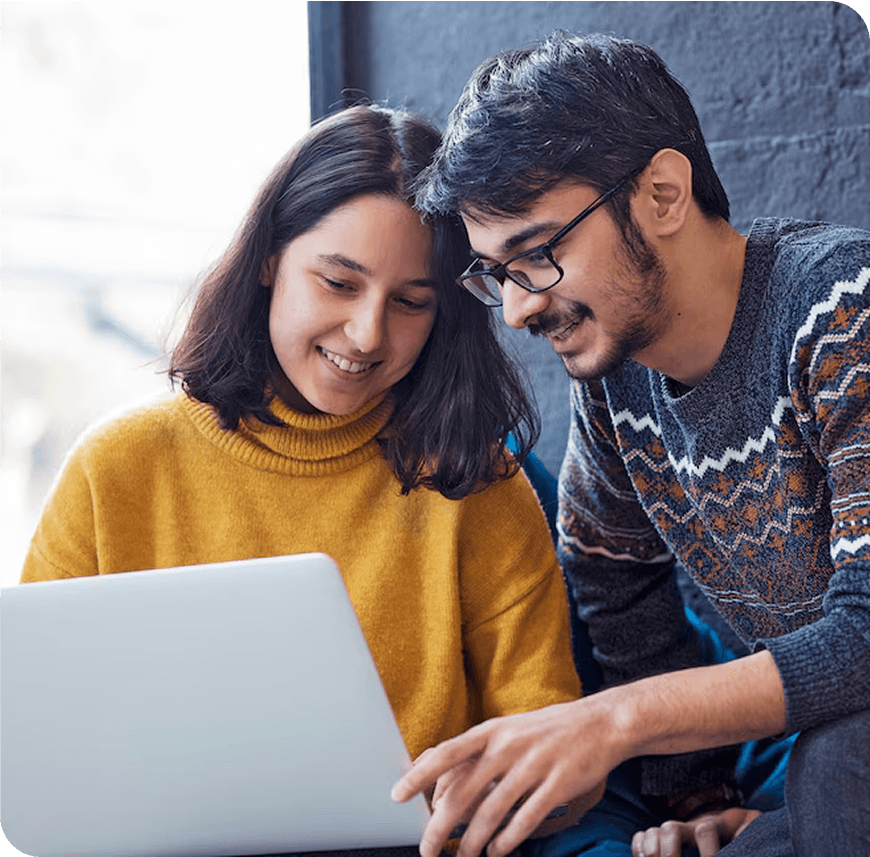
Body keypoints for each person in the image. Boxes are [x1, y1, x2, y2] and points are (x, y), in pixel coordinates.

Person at [20, 104, 591, 853]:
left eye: (411, 303)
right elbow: (32, 730)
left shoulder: (474, 482)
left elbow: (562, 762)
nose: (367, 335)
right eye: (337, 283)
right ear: (268, 261)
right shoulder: (117, 467)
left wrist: (496, 785)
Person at [391, 31, 870, 857]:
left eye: (537, 255)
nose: (515, 311)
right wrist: (700, 794)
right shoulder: (616, 386)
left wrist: (612, 722)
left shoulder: (843, 310)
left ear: (662, 192)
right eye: (495, 274)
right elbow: (614, 583)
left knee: (838, 759)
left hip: (847, 755)